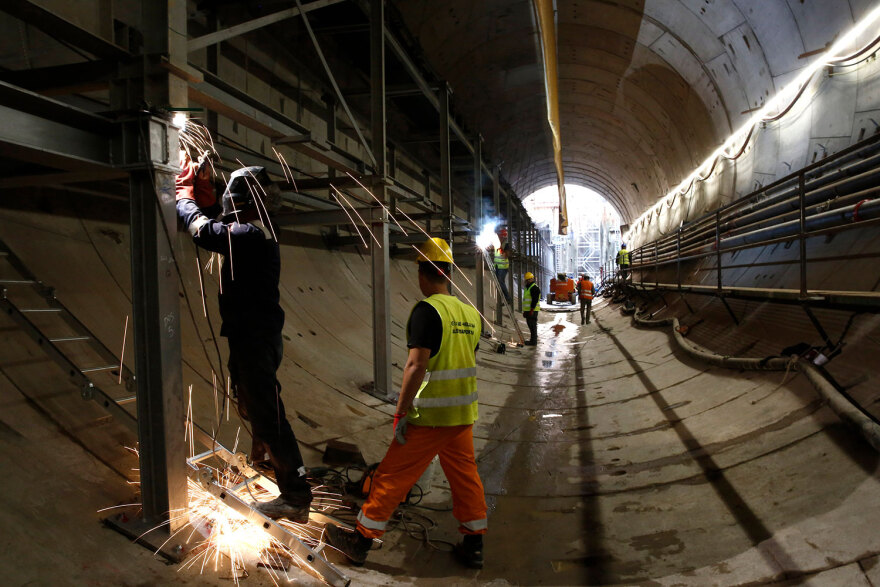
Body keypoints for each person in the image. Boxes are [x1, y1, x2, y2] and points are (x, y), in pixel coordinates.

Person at [325, 238, 487, 569]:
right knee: (465, 477)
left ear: (422, 274)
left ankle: (360, 541)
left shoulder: (428, 311)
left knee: (392, 476)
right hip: (462, 415)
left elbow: (416, 365)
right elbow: (467, 358)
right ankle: (474, 545)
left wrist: (400, 412)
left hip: (430, 417)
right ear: (448, 274)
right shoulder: (471, 314)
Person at [176, 160, 313, 522]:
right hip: (251, 335)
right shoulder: (255, 229)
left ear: (243, 204)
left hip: (255, 337)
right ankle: (267, 454)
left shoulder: (250, 235)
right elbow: (220, 227)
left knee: (268, 414)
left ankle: (296, 496)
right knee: (252, 404)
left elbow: (205, 233)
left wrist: (184, 197)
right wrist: (205, 196)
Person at [522, 272, 540, 346]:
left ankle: (533, 341)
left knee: (532, 325)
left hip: (533, 310)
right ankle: (532, 340)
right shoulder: (528, 287)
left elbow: (535, 300)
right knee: (530, 325)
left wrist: (532, 309)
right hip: (528, 310)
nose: (526, 281)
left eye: (527, 280)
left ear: (530, 279)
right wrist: (525, 311)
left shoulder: (534, 288)